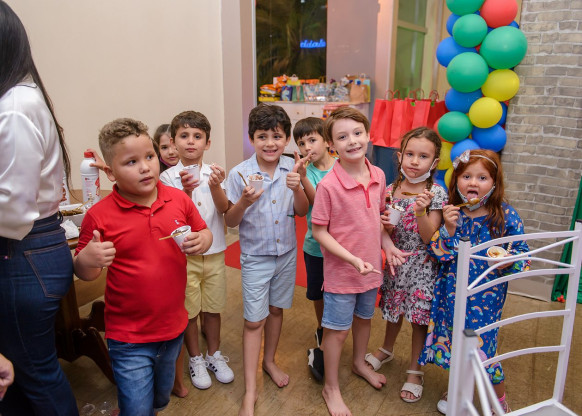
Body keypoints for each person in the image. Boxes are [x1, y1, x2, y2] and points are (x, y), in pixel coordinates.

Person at [74, 118, 213, 415]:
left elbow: (204, 230)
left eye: (149, 156)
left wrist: (203, 239)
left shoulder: (177, 199)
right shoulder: (99, 216)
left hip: (172, 328)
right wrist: (85, 260)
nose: (145, 167)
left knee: (159, 399)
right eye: (131, 162)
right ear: (110, 172)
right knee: (137, 408)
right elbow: (86, 273)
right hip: (128, 337)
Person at [0, 2, 79, 414]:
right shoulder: (22, 98)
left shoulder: (15, 105)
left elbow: (11, 210)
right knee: (22, 370)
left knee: (34, 371)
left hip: (23, 251)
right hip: (33, 249)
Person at [418, 149, 529, 414]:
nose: (473, 183)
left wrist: (507, 261)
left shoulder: (505, 216)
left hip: (486, 299)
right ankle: (458, 388)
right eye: (466, 176)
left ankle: (498, 401)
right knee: (454, 340)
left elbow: (523, 257)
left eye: (482, 178)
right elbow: (437, 253)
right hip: (450, 294)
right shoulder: (452, 213)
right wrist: (449, 229)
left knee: (483, 349)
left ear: (494, 183)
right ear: (456, 180)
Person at [224, 104, 309, 416]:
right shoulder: (239, 173)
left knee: (275, 310)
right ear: (251, 139)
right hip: (256, 257)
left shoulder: (292, 167)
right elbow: (230, 221)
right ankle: (250, 390)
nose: (270, 143)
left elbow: (301, 211)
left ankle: (269, 361)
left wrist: (298, 187)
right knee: (253, 321)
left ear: (286, 139)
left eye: (277, 136)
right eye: (262, 136)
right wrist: (244, 202)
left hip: (286, 255)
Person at [311, 107, 395, 416]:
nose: (352, 141)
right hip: (342, 273)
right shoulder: (328, 185)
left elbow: (379, 221)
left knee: (364, 319)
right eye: (342, 137)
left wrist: (388, 246)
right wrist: (352, 260)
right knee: (337, 331)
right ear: (332, 145)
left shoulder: (379, 175)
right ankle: (331, 387)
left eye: (358, 133)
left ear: (368, 136)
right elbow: (319, 231)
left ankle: (359, 363)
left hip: (371, 269)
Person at [365, 127, 446, 403]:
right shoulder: (390, 190)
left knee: (419, 319)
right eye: (409, 154)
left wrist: (421, 211)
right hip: (396, 263)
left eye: (423, 156)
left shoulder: (435, 193)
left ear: (434, 162)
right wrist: (386, 227)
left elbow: (430, 236)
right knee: (393, 310)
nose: (414, 161)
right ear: (399, 157)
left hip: (423, 265)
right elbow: (384, 231)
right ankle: (387, 349)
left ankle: (415, 369)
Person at [159, 111, 234, 396]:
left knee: (212, 308)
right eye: (184, 136)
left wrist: (215, 186)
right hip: (184, 257)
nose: (191, 141)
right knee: (189, 311)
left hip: (214, 252)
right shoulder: (167, 177)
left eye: (197, 136)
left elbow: (224, 209)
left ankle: (214, 354)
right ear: (173, 142)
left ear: (207, 143)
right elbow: (173, 218)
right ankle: (196, 358)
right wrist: (186, 192)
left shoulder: (214, 172)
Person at [292, 117, 336, 381]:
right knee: (318, 294)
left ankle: (333, 333)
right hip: (315, 247)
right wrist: (302, 179)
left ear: (327, 141)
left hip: (340, 249)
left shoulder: (342, 168)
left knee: (337, 294)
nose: (307, 147)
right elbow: (315, 206)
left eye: (312, 140)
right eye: (301, 143)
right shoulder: (306, 173)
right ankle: (322, 329)